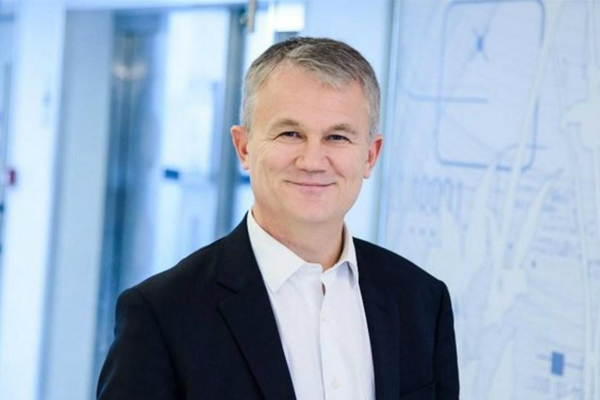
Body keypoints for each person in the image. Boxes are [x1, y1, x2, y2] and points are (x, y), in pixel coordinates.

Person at [97, 37, 459, 400]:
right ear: (244, 148)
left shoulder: (421, 301)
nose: (312, 161)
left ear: (370, 155)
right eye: (290, 134)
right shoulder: (163, 315)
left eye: (337, 137)